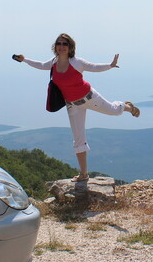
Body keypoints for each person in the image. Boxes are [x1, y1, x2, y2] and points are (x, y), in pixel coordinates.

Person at [13, 33, 140, 182]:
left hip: (90, 98)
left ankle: (127, 106)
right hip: (73, 106)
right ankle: (84, 174)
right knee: (78, 140)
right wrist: (25, 59)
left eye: (65, 44)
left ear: (70, 47)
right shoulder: (53, 63)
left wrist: (110, 65)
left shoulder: (76, 62)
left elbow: (93, 67)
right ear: (55, 46)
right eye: (59, 43)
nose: (61, 46)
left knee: (114, 110)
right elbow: (40, 65)